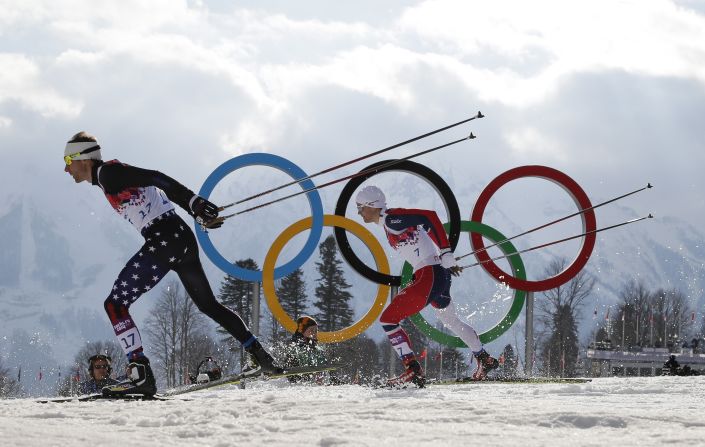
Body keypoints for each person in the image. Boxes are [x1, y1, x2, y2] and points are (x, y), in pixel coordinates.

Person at [63, 131, 281, 396]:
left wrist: (193, 202)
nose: (66, 169)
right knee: (208, 305)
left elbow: (157, 177)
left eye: (68, 160)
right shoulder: (106, 178)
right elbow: (155, 187)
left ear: (82, 158)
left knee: (115, 304)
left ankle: (139, 372)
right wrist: (194, 207)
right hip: (180, 238)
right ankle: (262, 357)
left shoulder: (107, 174)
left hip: (165, 239)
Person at [355, 185, 498, 387]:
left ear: (371, 206)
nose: (359, 212)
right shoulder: (389, 223)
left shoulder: (391, 219)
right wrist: (443, 258)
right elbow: (424, 231)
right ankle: (483, 358)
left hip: (429, 274)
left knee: (388, 319)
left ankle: (413, 371)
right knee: (450, 320)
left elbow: (429, 217)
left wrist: (446, 251)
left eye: (360, 207)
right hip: (437, 273)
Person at [283, 316, 329, 383]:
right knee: (294, 354)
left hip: (310, 378)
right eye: (311, 330)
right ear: (302, 332)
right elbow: (293, 357)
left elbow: (322, 361)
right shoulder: (295, 345)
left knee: (319, 355)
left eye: (316, 331)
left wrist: (321, 371)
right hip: (294, 376)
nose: (314, 333)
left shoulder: (317, 349)